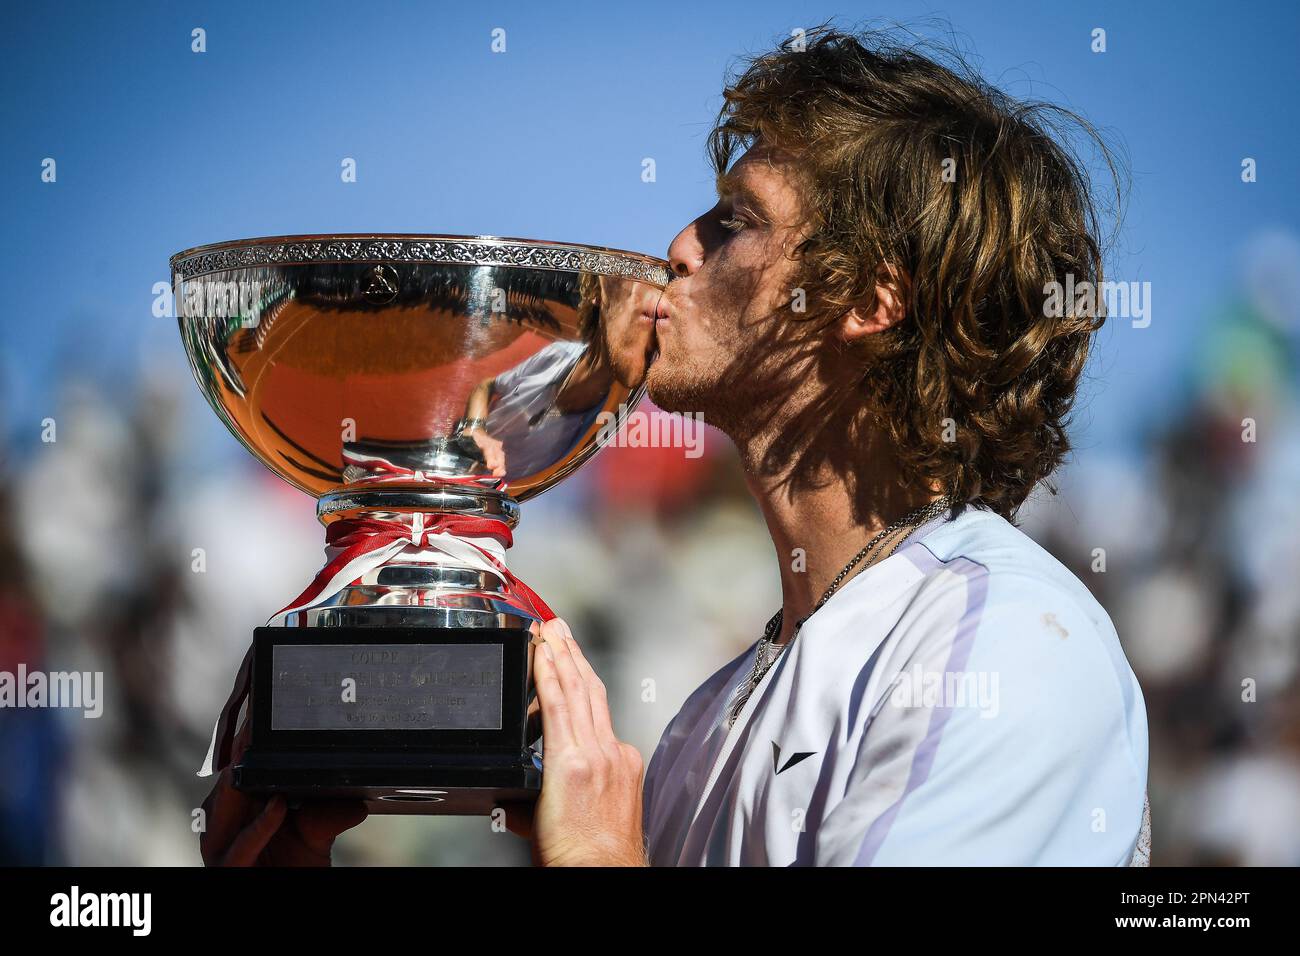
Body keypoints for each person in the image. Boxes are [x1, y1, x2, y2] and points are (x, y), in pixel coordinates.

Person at [202, 26, 1149, 867]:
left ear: (868, 302)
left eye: (734, 221)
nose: (677, 250)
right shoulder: (712, 716)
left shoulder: (1004, 647)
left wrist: (606, 862)